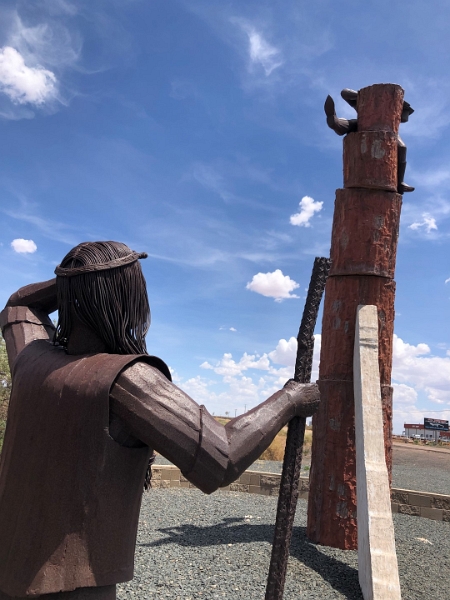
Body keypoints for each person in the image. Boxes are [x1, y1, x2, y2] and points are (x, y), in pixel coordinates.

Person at [0, 241, 319, 600]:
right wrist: (290, 399)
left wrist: (75, 283)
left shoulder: (30, 360)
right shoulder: (126, 380)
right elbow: (222, 458)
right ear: (128, 299)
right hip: (73, 585)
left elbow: (18, 305)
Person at [324, 87, 414, 194]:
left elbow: (404, 118)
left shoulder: (396, 103)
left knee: (402, 147)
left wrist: (398, 104)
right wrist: (368, 97)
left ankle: (400, 181)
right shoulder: (365, 101)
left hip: (387, 130)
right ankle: (335, 122)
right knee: (348, 124)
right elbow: (344, 92)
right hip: (363, 125)